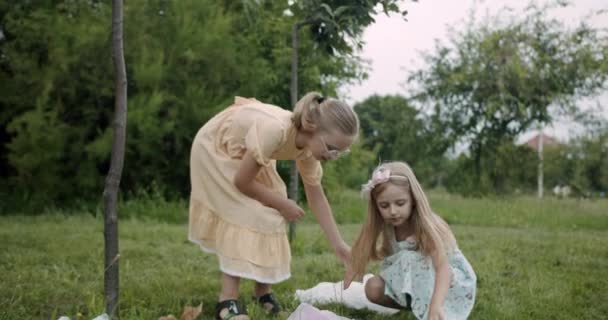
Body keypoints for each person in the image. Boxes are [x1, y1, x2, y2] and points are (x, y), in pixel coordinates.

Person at [188, 92, 358, 320]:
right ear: (311, 127)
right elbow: (241, 182)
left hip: (249, 154)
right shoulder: (276, 130)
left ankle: (262, 294)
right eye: (331, 147)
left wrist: (338, 245)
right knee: (245, 212)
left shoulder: (309, 149)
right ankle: (227, 302)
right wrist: (282, 204)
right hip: (218, 147)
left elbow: (317, 197)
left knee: (273, 212)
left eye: (340, 151)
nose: (333, 155)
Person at [344, 162, 476, 320]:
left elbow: (443, 269)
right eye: (384, 205)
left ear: (413, 199)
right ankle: (419, 305)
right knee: (372, 287)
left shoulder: (425, 227)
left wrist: (435, 306)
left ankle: (434, 311)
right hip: (422, 281)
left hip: (449, 284)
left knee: (409, 258)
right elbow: (366, 241)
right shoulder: (389, 225)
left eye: (400, 203)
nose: (393, 211)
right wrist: (353, 266)